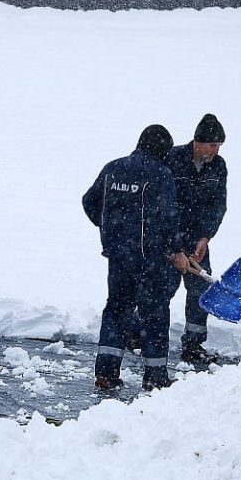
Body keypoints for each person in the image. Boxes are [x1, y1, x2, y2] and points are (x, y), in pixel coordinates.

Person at [82, 124, 189, 391]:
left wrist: (110, 228)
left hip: (118, 256)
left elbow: (89, 201)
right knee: (155, 314)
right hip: (149, 258)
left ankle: (106, 372)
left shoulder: (113, 168)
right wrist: (176, 251)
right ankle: (155, 376)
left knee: (117, 310)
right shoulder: (161, 174)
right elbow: (169, 216)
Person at [161, 114, 227, 365]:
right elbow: (163, 203)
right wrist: (174, 243)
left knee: (200, 290)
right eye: (212, 145)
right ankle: (141, 335)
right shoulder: (172, 159)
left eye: (219, 146)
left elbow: (218, 205)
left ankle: (193, 343)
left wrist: (205, 237)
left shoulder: (218, 166)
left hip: (197, 241)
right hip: (168, 239)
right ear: (198, 142)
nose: (215, 151)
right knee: (162, 289)